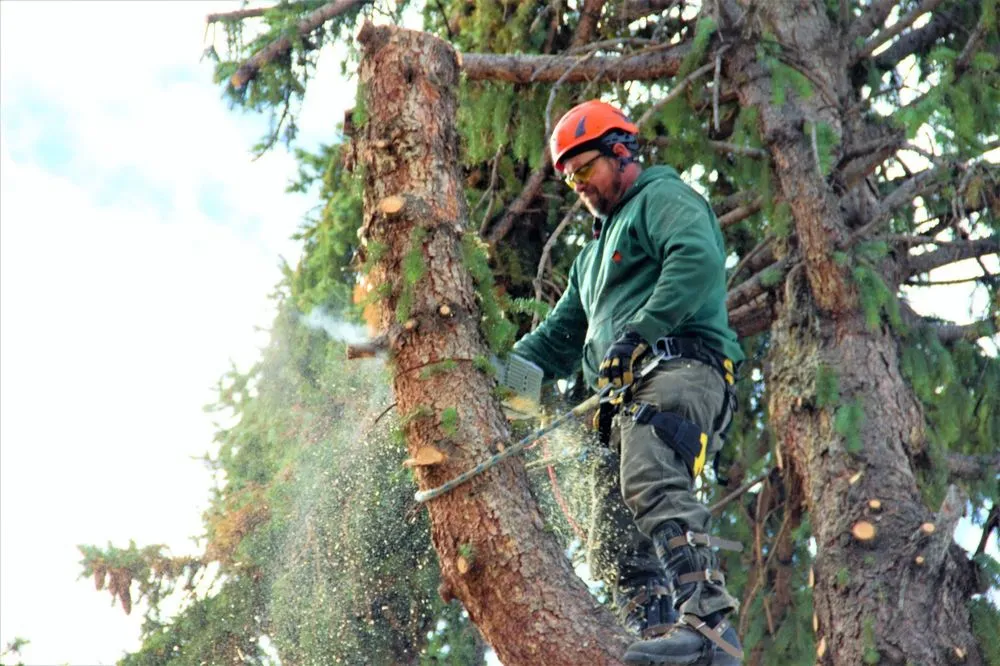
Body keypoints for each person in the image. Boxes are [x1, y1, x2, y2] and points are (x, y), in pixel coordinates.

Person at [509, 99, 746, 664]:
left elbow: (695, 259)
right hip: (623, 401)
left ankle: (710, 628)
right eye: (569, 179)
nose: (579, 186)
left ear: (621, 152)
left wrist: (638, 333)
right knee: (612, 538)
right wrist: (497, 377)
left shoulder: (661, 198)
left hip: (681, 370)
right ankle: (656, 638)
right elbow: (555, 342)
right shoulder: (590, 260)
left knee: (651, 475)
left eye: (585, 169)